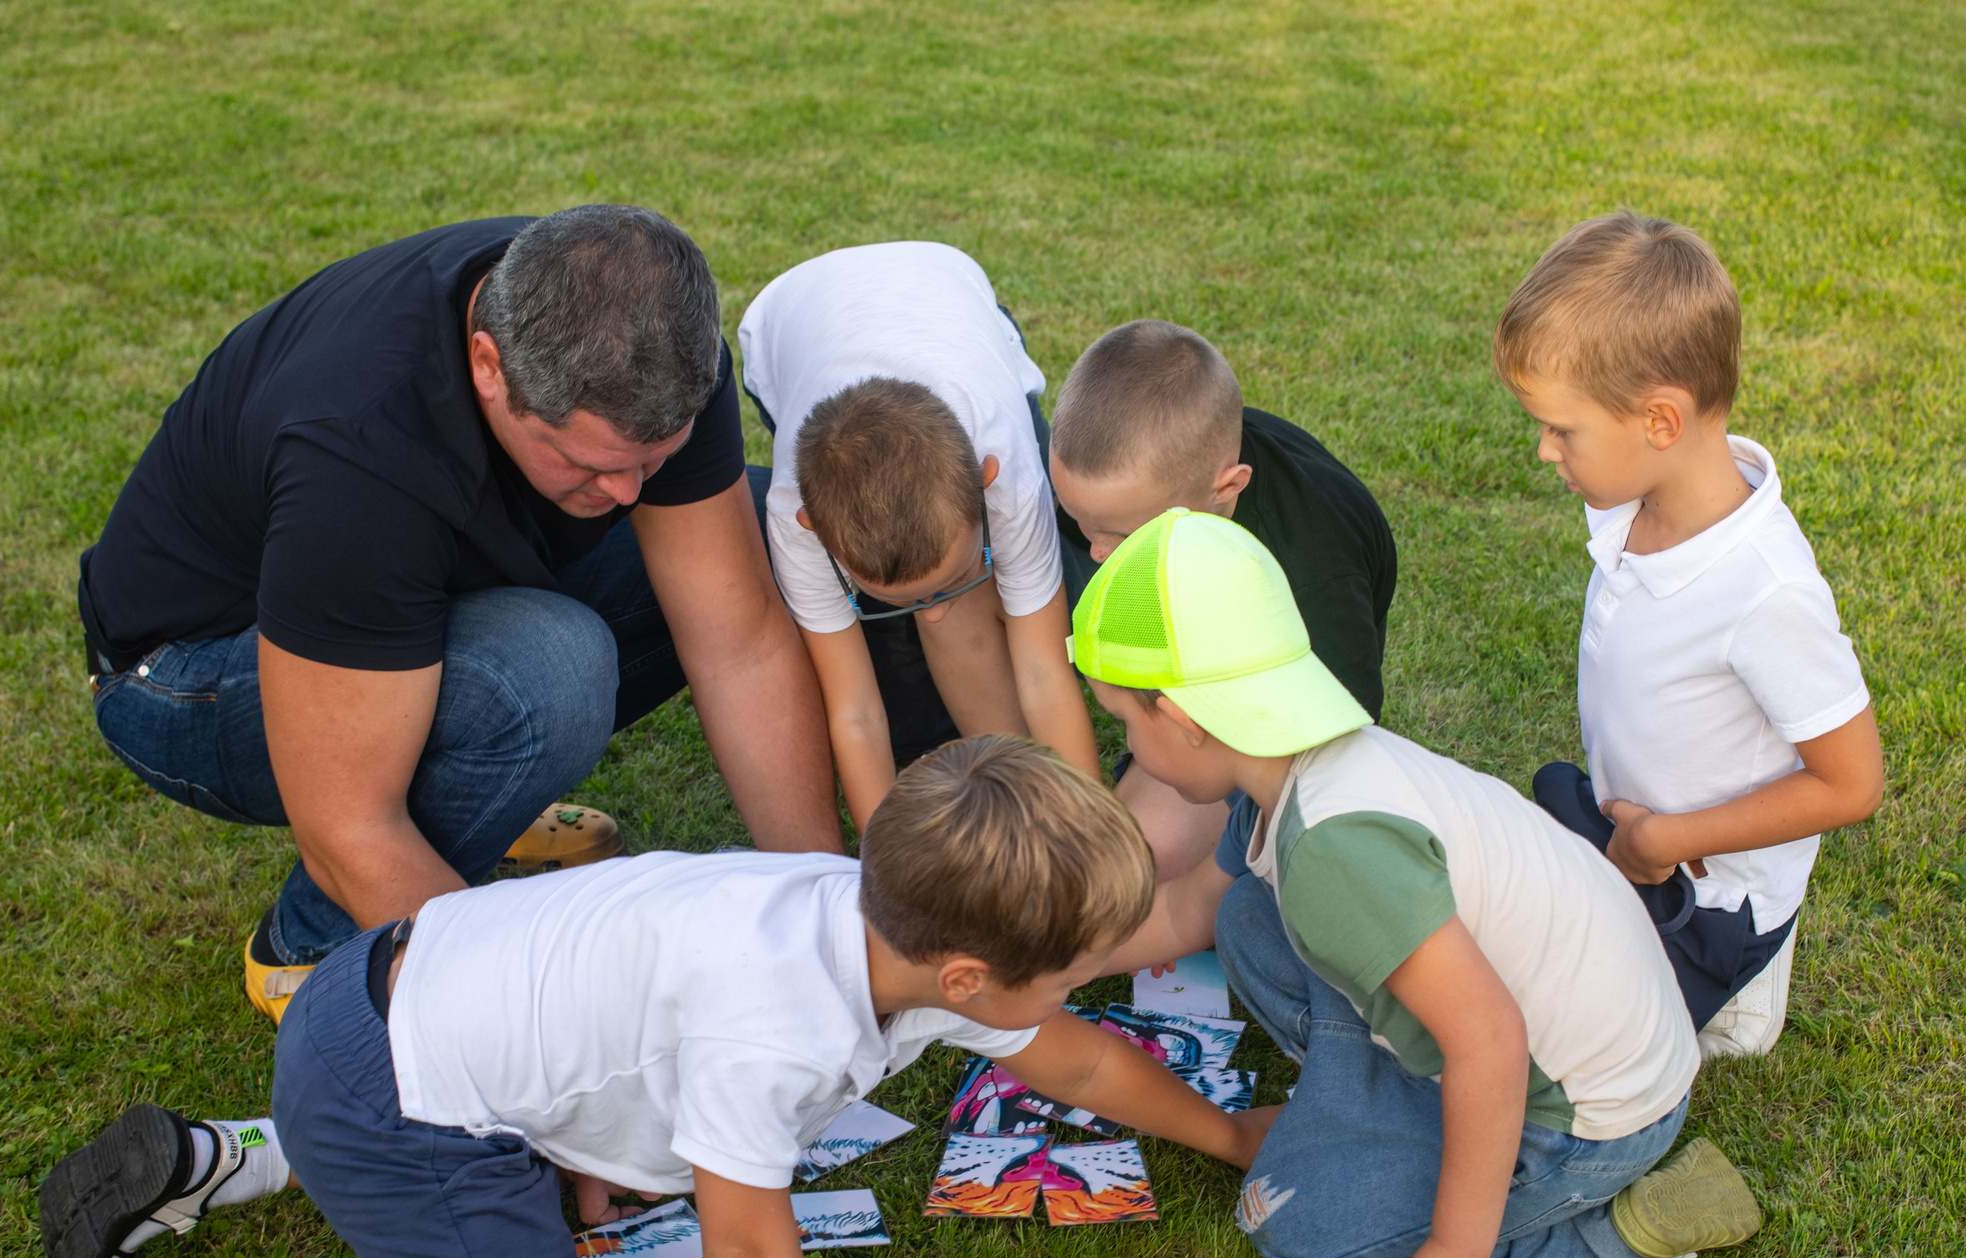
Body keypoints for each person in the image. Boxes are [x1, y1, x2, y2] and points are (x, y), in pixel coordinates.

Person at [0, 737, 1268, 1258]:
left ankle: (239, 1155)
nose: (1085, 990)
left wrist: (1225, 1139)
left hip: (385, 988)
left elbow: (1076, 1054)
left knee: (558, 1166)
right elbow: (748, 1255)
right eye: (1074, 969)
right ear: (971, 976)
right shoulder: (777, 1033)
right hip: (391, 1100)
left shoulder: (862, 908)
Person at [77, 207, 840, 1024]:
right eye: (590, 464)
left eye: (652, 462)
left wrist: (821, 914)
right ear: (488, 365)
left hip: (393, 594)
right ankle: (314, 948)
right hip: (186, 672)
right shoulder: (361, 444)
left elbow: (740, 645)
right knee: (547, 673)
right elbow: (346, 825)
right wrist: (560, 1028)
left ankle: (474, 802)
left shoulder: (654, 341)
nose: (627, 495)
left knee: (760, 529)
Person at [1085, 511, 1763, 1258]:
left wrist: (1453, 1254)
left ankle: (1616, 1233)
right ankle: (1375, 1104)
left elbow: (1489, 1039)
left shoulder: (1336, 851)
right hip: (1540, 1019)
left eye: (1128, 725)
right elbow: (1187, 913)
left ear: (1184, 716)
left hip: (1583, 1116)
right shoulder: (1292, 754)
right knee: (1245, 920)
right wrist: (1058, 964)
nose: (1131, 749)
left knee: (1293, 1225)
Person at [1496, 212, 1882, 1058]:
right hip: (1633, 832)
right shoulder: (1635, 505)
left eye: (1562, 429)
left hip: (1707, 895)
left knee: (1540, 1048)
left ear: (1660, 422)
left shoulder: (1763, 590)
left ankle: (1734, 1000)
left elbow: (1852, 783)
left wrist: (1668, 839)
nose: (1542, 450)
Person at [737, 242, 1093, 826]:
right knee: (906, 718)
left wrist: (1089, 835)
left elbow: (1043, 670)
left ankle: (1032, 800)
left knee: (1035, 598)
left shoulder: (1009, 466)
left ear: (985, 482)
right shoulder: (792, 516)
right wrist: (885, 875)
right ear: (815, 530)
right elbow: (855, 714)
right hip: (787, 319)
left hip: (947, 290)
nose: (932, 615)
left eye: (949, 580)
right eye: (899, 601)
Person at [1048, 320, 1399, 879]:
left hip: (1265, 734)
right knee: (1093, 863)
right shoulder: (1130, 496)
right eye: (1077, 520)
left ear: (1227, 488)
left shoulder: (1311, 572)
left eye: (1121, 536)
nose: (1095, 552)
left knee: (1129, 868)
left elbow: (1336, 764)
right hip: (1185, 696)